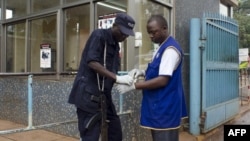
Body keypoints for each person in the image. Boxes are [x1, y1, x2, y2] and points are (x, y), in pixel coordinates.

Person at [117, 14, 188, 141]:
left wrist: (134, 86)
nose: (151, 36)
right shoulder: (161, 46)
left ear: (164, 28)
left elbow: (163, 80)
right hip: (158, 106)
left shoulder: (170, 50)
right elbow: (158, 70)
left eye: (154, 32)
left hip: (165, 108)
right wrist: (141, 72)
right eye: (149, 33)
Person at [68, 13, 135, 141]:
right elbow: (92, 62)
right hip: (88, 95)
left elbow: (111, 70)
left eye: (127, 34)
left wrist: (125, 78)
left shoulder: (116, 45)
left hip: (104, 96)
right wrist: (117, 78)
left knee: (115, 132)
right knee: (91, 134)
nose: (124, 36)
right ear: (114, 25)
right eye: (122, 32)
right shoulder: (99, 35)